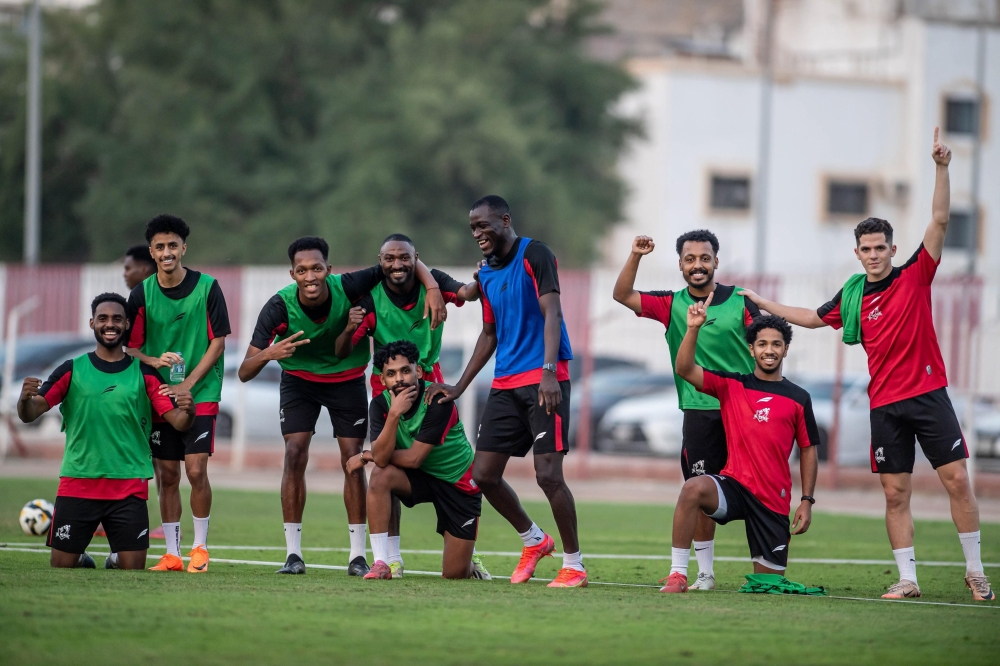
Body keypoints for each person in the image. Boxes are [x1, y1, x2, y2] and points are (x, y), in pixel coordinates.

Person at [740, 129, 993, 601]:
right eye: (867, 249)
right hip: (885, 405)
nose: (874, 255)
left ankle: (976, 571)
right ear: (857, 254)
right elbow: (812, 319)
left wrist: (941, 167)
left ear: (893, 251)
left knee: (957, 480)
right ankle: (908, 579)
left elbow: (939, 220)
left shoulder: (915, 275)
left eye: (881, 248)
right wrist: (761, 301)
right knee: (895, 494)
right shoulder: (853, 294)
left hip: (928, 395)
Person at [239, 236, 446, 576]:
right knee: (294, 453)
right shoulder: (278, 307)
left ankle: (357, 556)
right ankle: (293, 555)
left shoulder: (348, 286)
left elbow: (398, 263)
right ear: (292, 273)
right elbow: (245, 371)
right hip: (299, 381)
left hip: (345, 379)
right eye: (302, 270)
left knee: (351, 458)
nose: (311, 276)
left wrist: (434, 287)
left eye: (317, 268)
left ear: (329, 270)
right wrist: (269, 353)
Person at [427, 195, 586, 588]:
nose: (478, 233)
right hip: (505, 384)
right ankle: (535, 540)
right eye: (473, 228)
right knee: (483, 475)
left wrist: (549, 373)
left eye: (484, 225)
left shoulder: (536, 253)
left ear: (505, 220)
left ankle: (575, 565)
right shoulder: (487, 276)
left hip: (545, 380)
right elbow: (490, 334)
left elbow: (554, 313)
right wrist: (460, 387)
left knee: (548, 476)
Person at [612, 230, 759, 590]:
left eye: (704, 258)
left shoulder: (740, 301)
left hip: (741, 412)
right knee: (699, 490)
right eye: (690, 259)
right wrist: (635, 255)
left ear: (716, 262)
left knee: (758, 489)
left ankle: (767, 570)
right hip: (698, 411)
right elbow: (622, 295)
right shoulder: (671, 304)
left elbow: (767, 346)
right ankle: (704, 574)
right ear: (680, 264)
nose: (697, 265)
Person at [335, 233, 483, 578]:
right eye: (389, 259)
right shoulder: (371, 297)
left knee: (408, 457)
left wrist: (478, 279)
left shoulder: (435, 283)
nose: (397, 265)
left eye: (405, 258)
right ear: (380, 260)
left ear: (417, 258)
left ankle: (464, 549)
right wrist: (349, 328)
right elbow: (343, 348)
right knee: (384, 474)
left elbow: (466, 294)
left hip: (428, 382)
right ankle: (389, 559)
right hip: (387, 384)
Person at [17, 293, 194, 570]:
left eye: (116, 319)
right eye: (103, 318)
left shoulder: (145, 373)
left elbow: (178, 422)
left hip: (128, 485)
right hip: (78, 481)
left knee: (132, 569)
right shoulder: (71, 369)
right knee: (61, 567)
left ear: (126, 325)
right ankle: (81, 558)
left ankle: (114, 558)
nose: (109, 324)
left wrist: (189, 411)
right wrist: (24, 399)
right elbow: (30, 414)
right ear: (92, 323)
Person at [661, 306, 819, 593]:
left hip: (772, 499)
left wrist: (807, 500)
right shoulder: (731, 385)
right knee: (692, 488)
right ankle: (678, 574)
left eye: (776, 344)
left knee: (768, 584)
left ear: (785, 350)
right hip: (734, 486)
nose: (768, 350)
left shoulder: (799, 397)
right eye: (762, 344)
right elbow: (684, 368)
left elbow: (808, 449)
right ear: (751, 349)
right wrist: (693, 328)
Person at [125, 215, 231, 573]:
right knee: (167, 474)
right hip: (159, 396)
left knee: (196, 470)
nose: (167, 252)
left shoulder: (208, 287)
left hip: (201, 391)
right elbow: (131, 349)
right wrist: (156, 361)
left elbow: (218, 343)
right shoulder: (140, 294)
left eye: (173, 245)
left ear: (184, 247)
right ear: (152, 253)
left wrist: (187, 384)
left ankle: (200, 549)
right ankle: (172, 554)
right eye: (160, 247)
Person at [346, 340, 487, 580]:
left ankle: (469, 559)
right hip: (419, 479)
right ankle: (383, 562)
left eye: (405, 370)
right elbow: (382, 461)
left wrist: (367, 455)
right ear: (383, 380)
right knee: (380, 475)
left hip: (457, 483)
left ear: (418, 371)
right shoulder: (381, 405)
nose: (399, 378)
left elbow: (414, 459)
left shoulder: (439, 399)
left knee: (454, 574)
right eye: (391, 374)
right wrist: (394, 414)